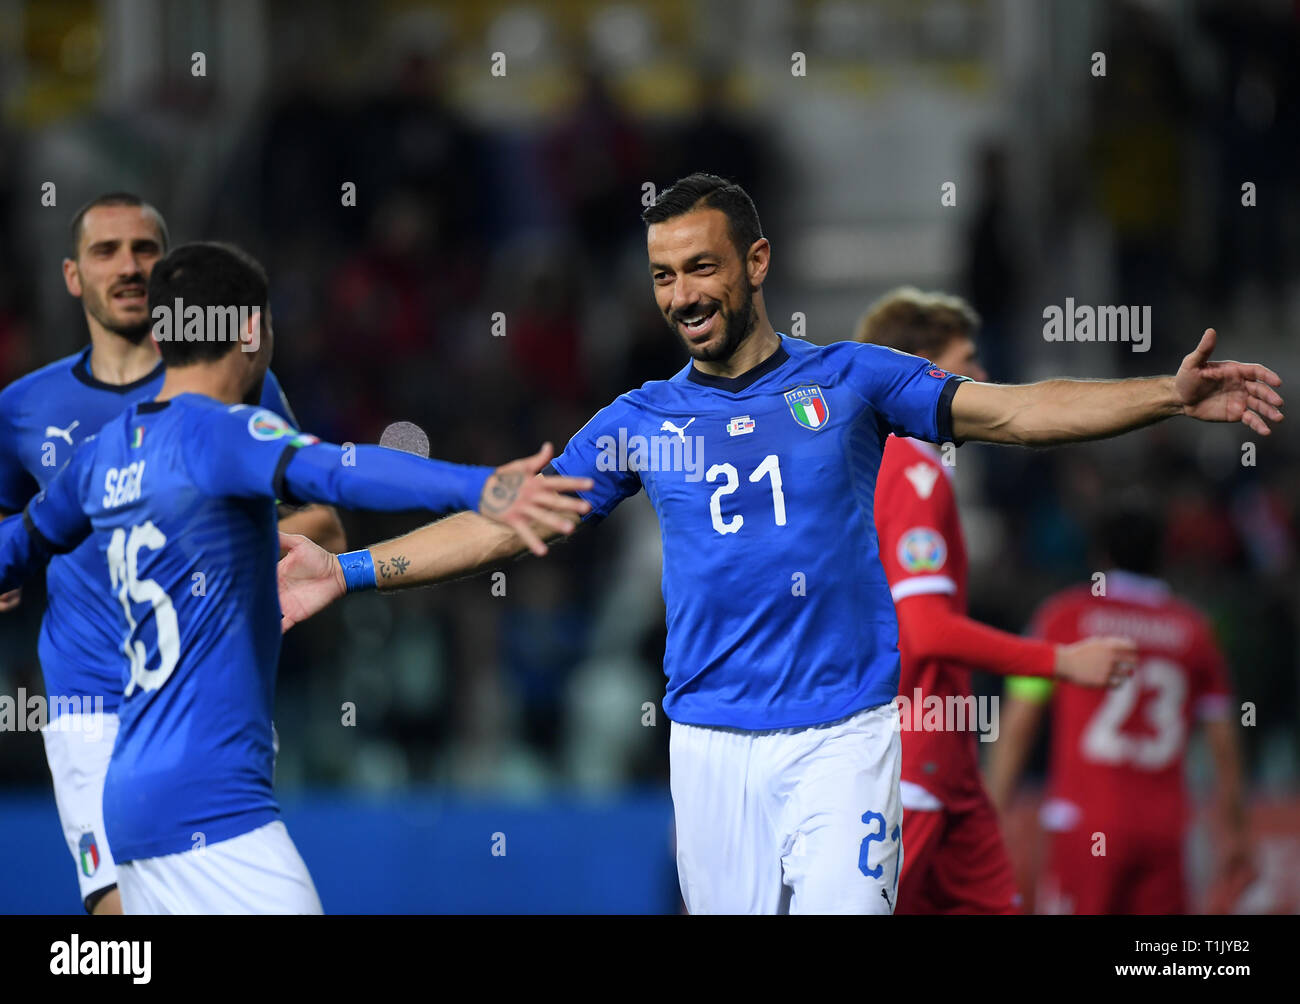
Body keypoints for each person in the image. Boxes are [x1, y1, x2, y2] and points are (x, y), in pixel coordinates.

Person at [276, 173, 1281, 914]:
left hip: (843, 734)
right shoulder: (636, 417)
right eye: (664, 276)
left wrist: (1163, 395)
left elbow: (1015, 412)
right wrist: (352, 567)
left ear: (755, 263)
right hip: (710, 746)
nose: (682, 295)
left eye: (701, 267)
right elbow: (509, 523)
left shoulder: (853, 378)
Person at [0, 242, 590, 913]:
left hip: (129, 804)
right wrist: (478, 485)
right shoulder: (223, 434)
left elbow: (18, 543)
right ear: (254, 332)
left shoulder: (102, 455)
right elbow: (339, 469)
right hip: (214, 809)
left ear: (162, 335)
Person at [0, 194, 344, 914]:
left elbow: (316, 512)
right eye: (105, 252)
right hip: (88, 701)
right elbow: (14, 530)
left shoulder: (238, 384)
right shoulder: (21, 408)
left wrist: (301, 548)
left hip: (203, 708)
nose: (127, 266)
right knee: (116, 912)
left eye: (144, 250)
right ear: (72, 276)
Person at [857, 286, 1133, 914]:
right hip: (911, 756)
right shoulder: (910, 470)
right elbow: (926, 630)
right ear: (921, 370)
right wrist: (1058, 661)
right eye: (968, 359)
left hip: (949, 769)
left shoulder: (902, 468)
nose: (981, 377)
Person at [985, 504, 1251, 914]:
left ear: (1101, 556)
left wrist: (993, 811)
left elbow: (1021, 722)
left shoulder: (1064, 618)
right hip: (1164, 832)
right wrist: (1235, 831)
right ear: (1163, 556)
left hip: (1085, 824)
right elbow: (1224, 744)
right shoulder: (1195, 632)